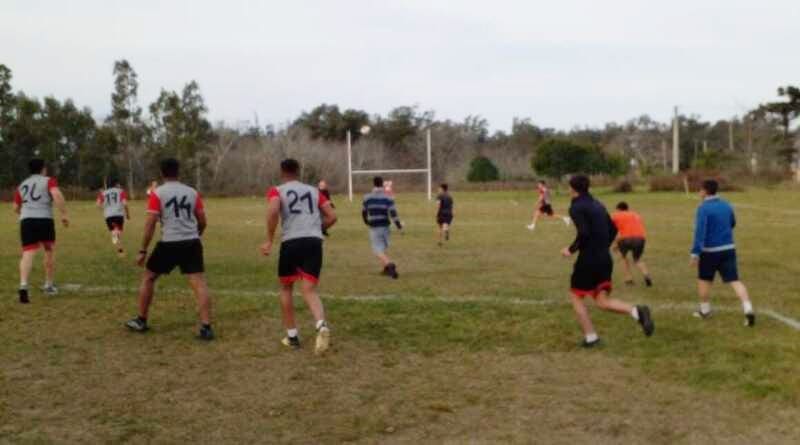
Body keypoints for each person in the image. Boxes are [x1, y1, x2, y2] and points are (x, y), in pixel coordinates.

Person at [125, 158, 214, 340]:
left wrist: (143, 249)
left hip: (169, 243)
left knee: (148, 277)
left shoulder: (158, 193)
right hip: (191, 242)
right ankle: (206, 327)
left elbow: (150, 224)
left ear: (162, 172)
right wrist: (196, 234)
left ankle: (141, 320)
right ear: (178, 172)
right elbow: (203, 220)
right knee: (199, 282)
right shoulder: (192, 192)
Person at [561, 175, 654, 347]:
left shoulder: (576, 207)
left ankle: (591, 337)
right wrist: (602, 246)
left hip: (589, 260)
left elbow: (584, 233)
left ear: (572, 189)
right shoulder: (598, 204)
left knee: (576, 296)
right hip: (604, 258)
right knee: (602, 301)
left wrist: (570, 249)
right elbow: (612, 228)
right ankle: (636, 311)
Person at [262, 159, 337, 354]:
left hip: (292, 242)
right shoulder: (314, 191)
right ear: (298, 171)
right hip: (314, 242)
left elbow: (272, 211)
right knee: (309, 289)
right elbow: (332, 216)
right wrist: (318, 229)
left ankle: (292, 336)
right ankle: (321, 325)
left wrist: (269, 239)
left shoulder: (276, 190)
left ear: (282, 172)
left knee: (286, 287)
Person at [690, 179, 755, 326]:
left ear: (705, 191)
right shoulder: (727, 204)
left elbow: (700, 232)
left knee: (704, 281)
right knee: (735, 281)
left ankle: (705, 311)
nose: (699, 192)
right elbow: (732, 223)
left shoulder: (703, 208)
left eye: (700, 189)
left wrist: (695, 253)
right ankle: (748, 308)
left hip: (709, 252)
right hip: (729, 249)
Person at [13, 158, 69, 303]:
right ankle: (49, 285)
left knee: (27, 253)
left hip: (27, 221)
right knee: (48, 251)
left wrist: (24, 214)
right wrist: (64, 214)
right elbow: (56, 195)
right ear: (43, 169)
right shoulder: (48, 180)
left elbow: (15, 208)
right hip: (44, 221)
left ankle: (23, 286)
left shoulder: (22, 184)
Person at [363, 176, 403, 279]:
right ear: (382, 184)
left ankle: (390, 265)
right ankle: (385, 269)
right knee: (382, 247)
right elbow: (393, 212)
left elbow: (364, 211)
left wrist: (366, 221)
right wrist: (398, 225)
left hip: (374, 225)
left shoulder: (367, 197)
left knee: (377, 250)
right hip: (385, 225)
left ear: (373, 184)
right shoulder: (388, 197)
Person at [611, 202, 653, 287]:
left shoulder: (616, 216)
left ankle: (628, 279)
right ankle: (646, 274)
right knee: (637, 259)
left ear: (618, 209)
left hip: (625, 239)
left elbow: (614, 231)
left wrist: (615, 244)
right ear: (627, 208)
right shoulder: (636, 215)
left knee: (623, 257)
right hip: (640, 238)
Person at [97, 179, 131, 257]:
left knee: (116, 232)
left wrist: (105, 209)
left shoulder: (103, 193)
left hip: (109, 215)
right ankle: (120, 250)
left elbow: (98, 204)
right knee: (118, 232)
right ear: (116, 184)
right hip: (119, 214)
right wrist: (128, 214)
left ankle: (115, 234)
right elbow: (125, 204)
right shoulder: (120, 191)